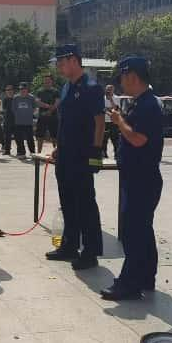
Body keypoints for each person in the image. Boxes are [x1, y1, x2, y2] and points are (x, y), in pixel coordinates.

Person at [101, 56, 164, 301]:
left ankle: (129, 283)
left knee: (133, 232)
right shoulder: (143, 102)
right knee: (143, 230)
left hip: (142, 179)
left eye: (123, 78)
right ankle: (146, 276)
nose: (121, 83)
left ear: (133, 77)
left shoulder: (148, 105)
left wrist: (119, 122)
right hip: (139, 177)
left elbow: (138, 139)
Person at [45, 45, 105, 271]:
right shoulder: (66, 87)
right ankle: (69, 246)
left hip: (83, 155)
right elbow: (65, 122)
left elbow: (100, 121)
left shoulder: (91, 88)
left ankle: (91, 252)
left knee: (85, 204)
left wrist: (96, 151)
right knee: (67, 201)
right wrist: (59, 148)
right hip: (66, 155)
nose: (59, 67)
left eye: (61, 63)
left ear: (73, 60)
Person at [35, 74, 60, 154]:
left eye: (48, 80)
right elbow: (37, 102)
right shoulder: (39, 91)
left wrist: (49, 111)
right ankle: (39, 153)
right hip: (42, 117)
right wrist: (48, 106)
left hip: (53, 117)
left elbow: (57, 103)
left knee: (55, 136)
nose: (46, 82)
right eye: (45, 80)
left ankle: (57, 154)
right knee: (40, 136)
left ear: (52, 81)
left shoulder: (56, 91)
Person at [11, 82, 36, 158]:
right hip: (18, 122)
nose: (22, 90)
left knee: (30, 138)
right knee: (19, 138)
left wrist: (29, 114)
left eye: (24, 89)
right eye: (21, 89)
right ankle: (21, 153)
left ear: (27, 89)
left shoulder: (31, 98)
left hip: (28, 122)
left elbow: (34, 108)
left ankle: (32, 153)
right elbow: (13, 109)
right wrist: (18, 115)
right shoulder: (16, 98)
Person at [103, 85, 121, 160]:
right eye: (107, 89)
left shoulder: (116, 98)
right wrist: (109, 111)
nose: (109, 91)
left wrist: (111, 100)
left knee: (115, 139)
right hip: (104, 122)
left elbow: (116, 109)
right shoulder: (102, 98)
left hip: (114, 122)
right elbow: (102, 109)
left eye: (110, 89)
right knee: (104, 140)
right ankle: (104, 155)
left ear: (113, 90)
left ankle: (117, 155)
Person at [1, 84, 16, 155]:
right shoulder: (5, 99)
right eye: (7, 90)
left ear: (13, 91)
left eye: (10, 90)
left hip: (16, 120)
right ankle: (7, 151)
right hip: (7, 120)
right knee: (7, 137)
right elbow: (3, 110)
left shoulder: (16, 99)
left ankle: (20, 151)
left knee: (18, 137)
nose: (9, 91)